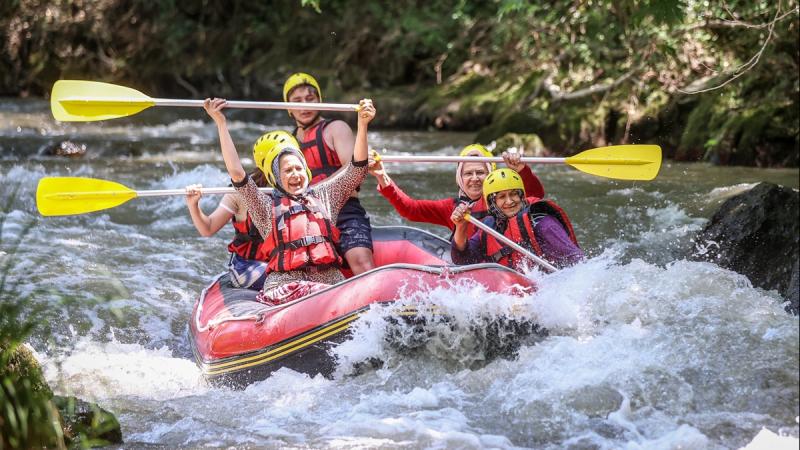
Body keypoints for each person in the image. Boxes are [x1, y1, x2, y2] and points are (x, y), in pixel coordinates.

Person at [203, 96, 376, 304]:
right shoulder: (265, 207)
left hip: (329, 283)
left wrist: (363, 124)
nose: (295, 174)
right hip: (286, 286)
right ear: (276, 177)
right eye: (287, 170)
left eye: (298, 168)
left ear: (306, 171)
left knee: (347, 295)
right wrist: (221, 123)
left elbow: (357, 169)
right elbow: (237, 174)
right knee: (317, 296)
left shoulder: (326, 195)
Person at [283, 72, 374, 275]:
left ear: (319, 100)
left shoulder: (336, 128)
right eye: (297, 101)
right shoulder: (287, 141)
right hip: (307, 215)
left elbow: (353, 170)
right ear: (288, 108)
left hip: (345, 210)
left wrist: (316, 191)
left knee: (361, 261)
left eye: (310, 99)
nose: (305, 106)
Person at [184, 136, 293, 291]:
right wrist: (193, 204)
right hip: (247, 266)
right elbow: (207, 228)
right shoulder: (240, 193)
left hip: (283, 264)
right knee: (282, 279)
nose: (290, 167)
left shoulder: (299, 189)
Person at [367, 143, 545, 237]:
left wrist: (522, 170)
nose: (474, 178)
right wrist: (382, 176)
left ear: (490, 174)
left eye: (480, 172)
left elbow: (535, 196)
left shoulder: (505, 199)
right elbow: (410, 209)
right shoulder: (451, 208)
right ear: (460, 177)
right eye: (468, 173)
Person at [450, 168, 584, 271]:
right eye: (502, 197)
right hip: (510, 289)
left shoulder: (542, 224)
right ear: (492, 203)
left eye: (514, 194)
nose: (509, 201)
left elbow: (578, 264)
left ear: (521, 196)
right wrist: (461, 227)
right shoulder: (488, 228)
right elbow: (463, 260)